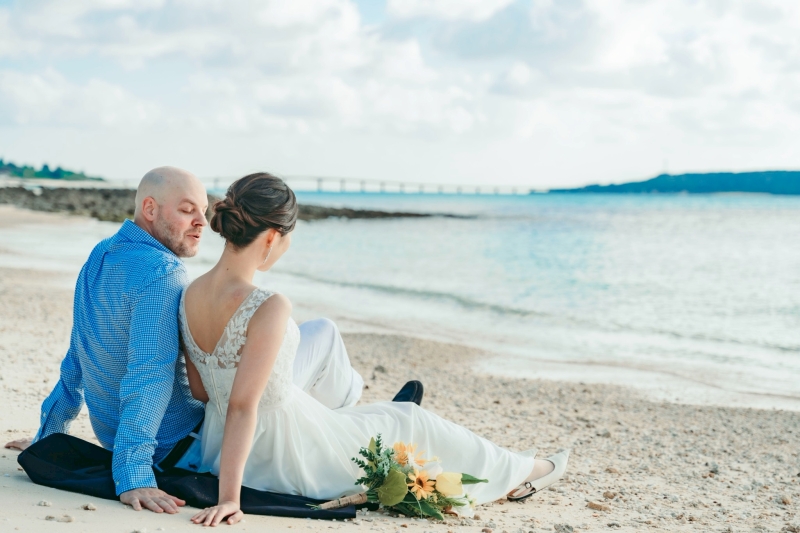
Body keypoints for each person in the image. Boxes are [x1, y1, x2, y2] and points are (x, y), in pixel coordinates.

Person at [4, 166, 407, 515]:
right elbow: (150, 374)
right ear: (149, 209)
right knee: (323, 334)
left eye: (203, 209)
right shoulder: (163, 275)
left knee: (302, 348)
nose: (201, 221)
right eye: (186, 210)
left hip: (126, 432)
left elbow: (78, 353)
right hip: (182, 445)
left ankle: (345, 416)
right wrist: (132, 473)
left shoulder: (100, 254)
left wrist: (49, 433)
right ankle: (348, 418)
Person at [181, 173, 570, 527]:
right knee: (413, 423)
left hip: (219, 445)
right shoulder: (268, 304)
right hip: (282, 454)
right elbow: (243, 406)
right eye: (287, 237)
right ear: (270, 237)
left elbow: (203, 393)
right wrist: (230, 498)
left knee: (384, 417)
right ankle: (526, 470)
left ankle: (358, 412)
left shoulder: (189, 295)